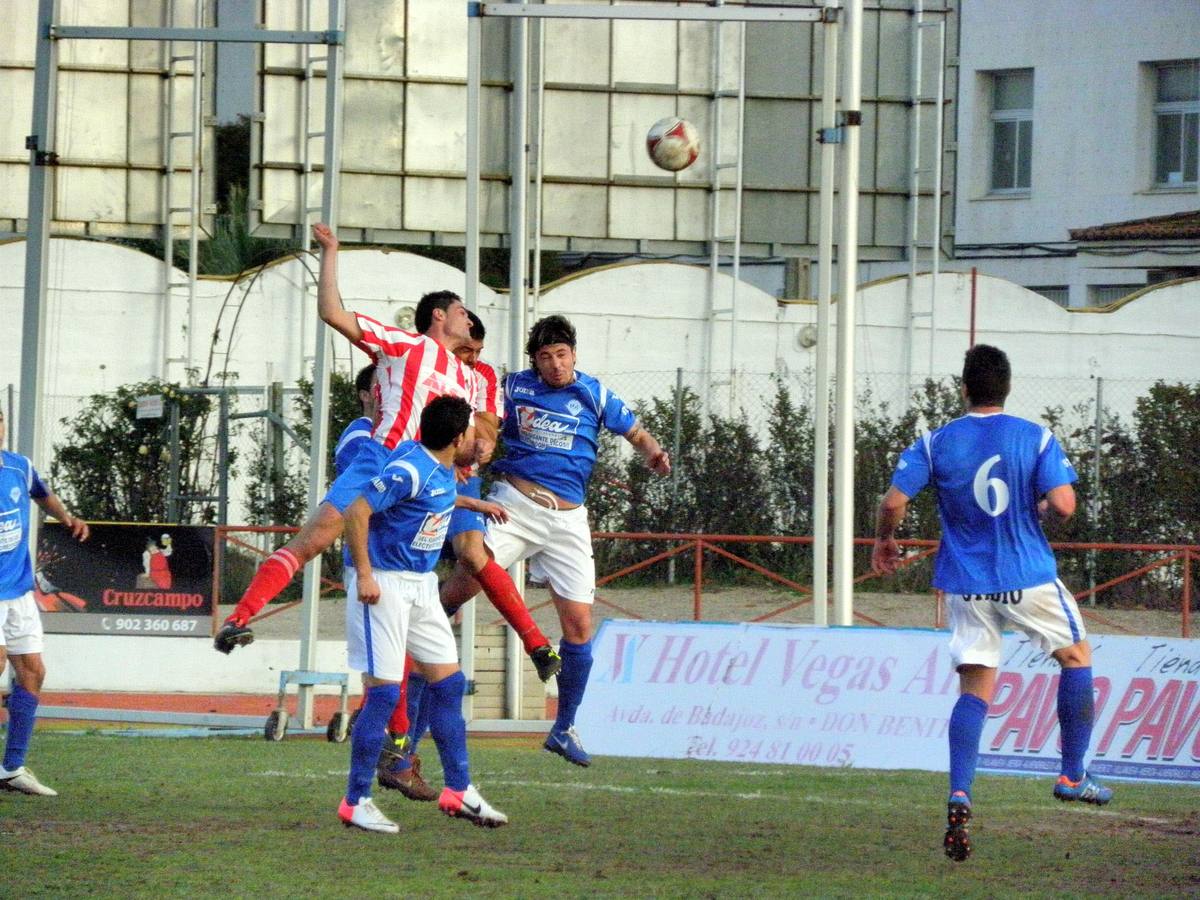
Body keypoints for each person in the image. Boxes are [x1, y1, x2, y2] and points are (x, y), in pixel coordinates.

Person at [215, 222, 556, 683]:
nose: (468, 320)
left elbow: (478, 434)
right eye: (460, 311)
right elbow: (334, 313)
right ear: (439, 316)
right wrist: (330, 252)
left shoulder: (469, 379)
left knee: (444, 571)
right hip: (383, 459)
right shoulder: (405, 346)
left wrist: (469, 453)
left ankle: (531, 645)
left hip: (430, 474)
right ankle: (239, 619)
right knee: (314, 540)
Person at [870, 344, 1112, 863]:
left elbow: (893, 502)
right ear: (1007, 386)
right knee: (1075, 656)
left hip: (967, 583)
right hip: (1027, 575)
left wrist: (884, 539)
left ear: (963, 388)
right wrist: (1044, 502)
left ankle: (960, 792)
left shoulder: (935, 444)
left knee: (976, 685)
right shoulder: (1035, 436)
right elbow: (1066, 505)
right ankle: (1072, 774)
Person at [440, 315, 671, 767]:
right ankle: (419, 623)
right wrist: (476, 448)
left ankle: (563, 728)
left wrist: (653, 453)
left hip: (568, 519)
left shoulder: (593, 392)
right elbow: (480, 420)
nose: (555, 364)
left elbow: (635, 432)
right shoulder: (513, 388)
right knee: (467, 578)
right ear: (534, 361)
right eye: (545, 357)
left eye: (561, 355)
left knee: (580, 627)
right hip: (515, 503)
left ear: (574, 354)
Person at [393, 309, 565, 787]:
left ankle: (536, 644)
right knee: (401, 627)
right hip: (412, 492)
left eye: (477, 351)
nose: (471, 358)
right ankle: (398, 745)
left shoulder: (483, 376)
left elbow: (486, 426)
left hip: (453, 482)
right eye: (464, 349)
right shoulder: (417, 364)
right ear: (442, 332)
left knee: (470, 555)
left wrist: (482, 445)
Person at [338, 395, 507, 833]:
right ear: (457, 438)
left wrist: (476, 505)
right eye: (470, 431)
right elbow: (357, 510)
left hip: (421, 586)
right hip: (386, 586)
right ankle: (355, 801)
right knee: (383, 695)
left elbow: (434, 495)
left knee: (448, 684)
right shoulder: (409, 468)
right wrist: (365, 575)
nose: (475, 437)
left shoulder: (439, 465)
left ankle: (459, 791)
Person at [0, 408, 90, 796]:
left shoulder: (18, 465)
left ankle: (11, 767)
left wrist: (67, 517)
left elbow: (42, 494)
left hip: (18, 593)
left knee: (33, 672)